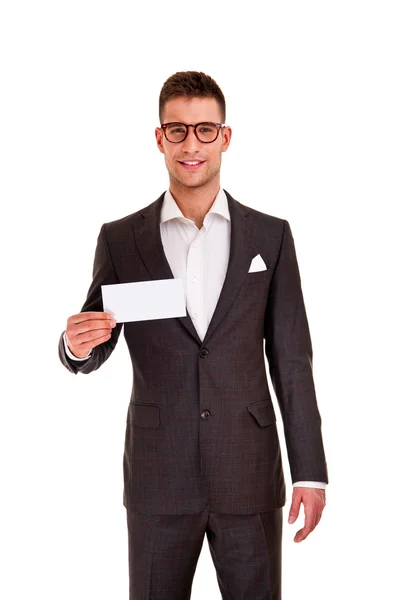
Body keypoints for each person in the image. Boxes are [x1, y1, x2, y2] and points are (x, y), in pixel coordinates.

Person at [58, 70, 328, 600]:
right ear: (159, 138)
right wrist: (75, 346)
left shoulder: (270, 236)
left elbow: (292, 361)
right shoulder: (121, 239)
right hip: (159, 475)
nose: (191, 144)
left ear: (225, 137)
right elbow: (99, 336)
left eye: (205, 129)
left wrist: (311, 472)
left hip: (247, 470)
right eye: (177, 130)